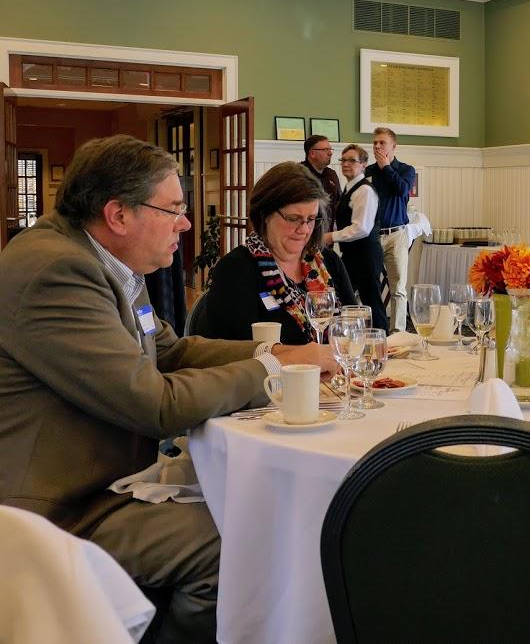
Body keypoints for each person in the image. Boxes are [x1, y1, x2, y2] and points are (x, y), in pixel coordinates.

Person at [0, 135, 331, 643]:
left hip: (105, 482)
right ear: (118, 215)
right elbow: (155, 404)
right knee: (240, 545)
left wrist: (280, 352)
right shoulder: (57, 272)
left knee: (252, 515)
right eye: (173, 209)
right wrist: (275, 371)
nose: (186, 224)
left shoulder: (105, 260)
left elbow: (171, 352)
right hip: (56, 512)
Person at [197, 161, 357, 344]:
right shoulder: (235, 269)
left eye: (311, 219)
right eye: (293, 218)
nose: (304, 229)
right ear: (264, 214)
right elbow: (233, 350)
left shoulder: (328, 261)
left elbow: (355, 326)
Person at [329, 144, 389, 330]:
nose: (346, 164)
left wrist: (331, 237)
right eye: (343, 160)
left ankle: (383, 339)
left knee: (371, 301)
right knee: (344, 297)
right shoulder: (349, 189)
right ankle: (348, 335)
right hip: (352, 255)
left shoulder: (365, 191)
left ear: (363, 165)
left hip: (366, 256)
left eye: (352, 160)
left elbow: (362, 228)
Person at [365, 126, 416, 333]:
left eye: (382, 143)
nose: (377, 146)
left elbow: (402, 190)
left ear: (393, 146)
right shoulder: (368, 171)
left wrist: (386, 167)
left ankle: (398, 333)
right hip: (372, 237)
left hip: (396, 235)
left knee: (398, 288)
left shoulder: (406, 170)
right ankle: (374, 331)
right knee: (370, 286)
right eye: (375, 143)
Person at [301, 134, 341, 223]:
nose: (330, 153)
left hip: (329, 228)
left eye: (330, 149)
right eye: (325, 150)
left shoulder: (332, 174)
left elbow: (338, 203)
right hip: (306, 226)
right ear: (312, 153)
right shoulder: (298, 174)